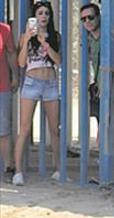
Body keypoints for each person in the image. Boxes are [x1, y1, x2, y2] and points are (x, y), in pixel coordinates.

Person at [13, 0, 61, 186]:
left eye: (46, 14)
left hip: (49, 82)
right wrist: (26, 40)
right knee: (24, 128)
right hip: (32, 82)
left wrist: (46, 44)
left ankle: (58, 168)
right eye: (40, 13)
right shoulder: (26, 36)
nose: (43, 17)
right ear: (34, 16)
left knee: (54, 128)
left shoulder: (54, 36)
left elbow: (58, 61)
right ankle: (18, 171)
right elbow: (21, 62)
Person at [0, 21, 17, 179]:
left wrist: (15, 76)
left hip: (2, 85)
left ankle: (8, 165)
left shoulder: (4, 29)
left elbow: (11, 53)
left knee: (4, 129)